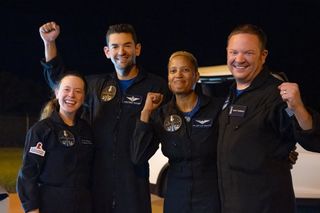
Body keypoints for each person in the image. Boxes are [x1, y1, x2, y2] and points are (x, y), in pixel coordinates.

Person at [39, 22, 170, 213]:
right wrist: (49, 43)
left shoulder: (156, 86)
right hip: (97, 183)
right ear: (107, 52)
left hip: (134, 183)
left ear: (137, 49)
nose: (121, 51)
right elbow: (61, 83)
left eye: (127, 45)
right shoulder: (95, 85)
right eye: (115, 46)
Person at [217, 23, 320, 213]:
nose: (239, 59)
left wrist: (297, 108)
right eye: (234, 52)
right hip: (233, 203)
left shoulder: (277, 95)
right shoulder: (232, 94)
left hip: (266, 204)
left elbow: (312, 139)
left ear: (263, 56)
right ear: (227, 53)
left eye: (248, 53)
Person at [131, 51, 222, 213]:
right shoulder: (160, 115)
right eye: (173, 71)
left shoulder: (216, 109)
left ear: (196, 76)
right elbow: (138, 156)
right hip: (176, 196)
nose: (178, 75)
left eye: (185, 70)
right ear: (168, 79)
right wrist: (145, 113)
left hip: (211, 195)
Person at [17, 72, 94, 213]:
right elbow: (28, 173)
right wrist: (32, 208)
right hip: (51, 205)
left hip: (83, 205)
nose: (71, 95)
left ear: (83, 98)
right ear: (57, 93)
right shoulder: (41, 130)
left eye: (78, 91)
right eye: (66, 89)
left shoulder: (87, 131)